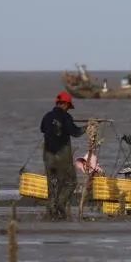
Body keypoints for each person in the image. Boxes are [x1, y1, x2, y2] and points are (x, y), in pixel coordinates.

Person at [39, 91, 84, 220]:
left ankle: (51, 211)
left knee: (52, 183)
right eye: (68, 107)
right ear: (64, 104)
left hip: (48, 155)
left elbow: (42, 129)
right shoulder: (66, 117)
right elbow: (76, 132)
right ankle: (60, 203)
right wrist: (87, 127)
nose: (68, 109)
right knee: (71, 182)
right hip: (62, 155)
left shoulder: (47, 116)